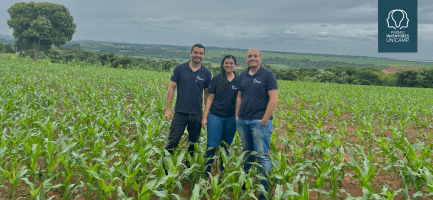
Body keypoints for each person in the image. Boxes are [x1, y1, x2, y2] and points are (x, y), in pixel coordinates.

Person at [235, 49, 278, 199]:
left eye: (255, 56)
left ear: (260, 59)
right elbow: (239, 96)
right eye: (249, 56)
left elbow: (273, 99)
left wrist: (264, 120)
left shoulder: (268, 75)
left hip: (259, 121)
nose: (252, 58)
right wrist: (237, 117)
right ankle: (244, 183)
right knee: (247, 153)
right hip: (243, 121)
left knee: (261, 156)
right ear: (246, 59)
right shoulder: (243, 75)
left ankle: (263, 192)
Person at [164, 44, 211, 166]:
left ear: (203, 55)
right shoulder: (180, 68)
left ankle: (188, 169)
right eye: (196, 52)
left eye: (200, 53)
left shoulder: (206, 73)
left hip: (196, 114)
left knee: (193, 144)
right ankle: (165, 170)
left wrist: (205, 116)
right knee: (172, 142)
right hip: (180, 113)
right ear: (191, 53)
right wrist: (168, 109)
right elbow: (171, 88)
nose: (198, 55)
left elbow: (207, 96)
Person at [201, 55, 239, 178]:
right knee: (212, 145)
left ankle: (223, 173)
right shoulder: (216, 79)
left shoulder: (239, 80)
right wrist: (205, 116)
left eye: (231, 63)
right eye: (226, 63)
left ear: (235, 65)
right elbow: (210, 98)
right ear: (223, 64)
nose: (229, 65)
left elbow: (241, 99)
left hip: (231, 119)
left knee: (225, 147)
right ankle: (206, 173)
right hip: (215, 116)